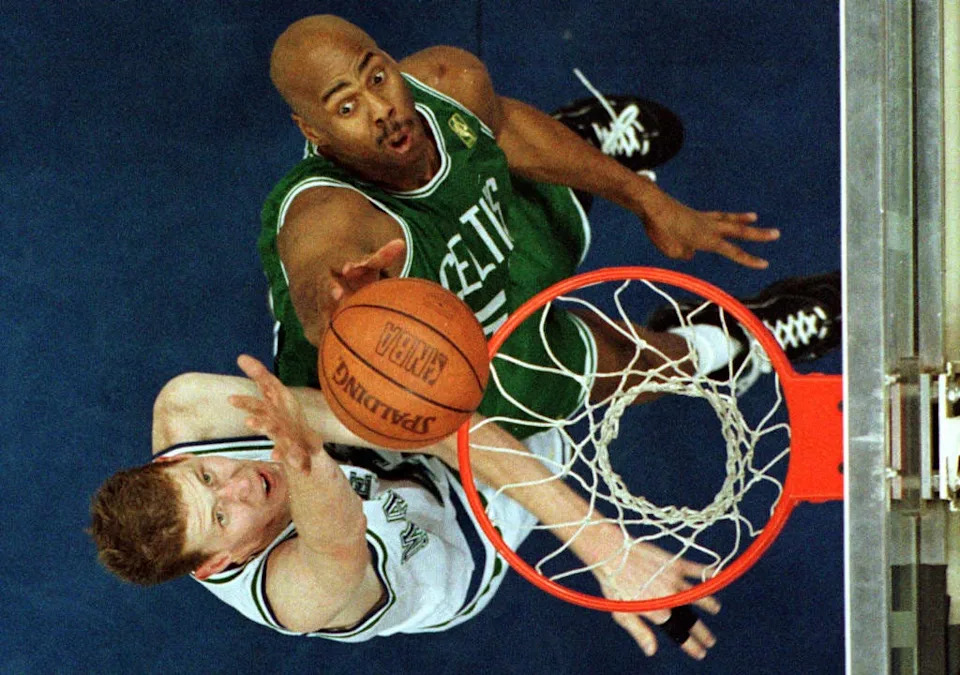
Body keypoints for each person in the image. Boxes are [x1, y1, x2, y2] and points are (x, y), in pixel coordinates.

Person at [257, 14, 814, 437]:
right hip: (439, 355)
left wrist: (646, 199)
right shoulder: (328, 212)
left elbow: (507, 129)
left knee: (529, 178)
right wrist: (335, 305)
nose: (381, 108)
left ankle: (576, 132)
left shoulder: (449, 82)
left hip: (493, 236)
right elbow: (315, 266)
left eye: (377, 77)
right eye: (347, 108)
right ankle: (732, 344)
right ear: (314, 132)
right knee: (630, 364)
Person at [90, 355, 721, 660]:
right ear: (217, 561)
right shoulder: (296, 596)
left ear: (168, 462)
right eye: (222, 517)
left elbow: (436, 426)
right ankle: (724, 349)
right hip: (456, 536)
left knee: (375, 318)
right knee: (556, 392)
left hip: (369, 456)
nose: (241, 484)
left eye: (208, 474)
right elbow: (337, 530)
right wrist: (608, 551)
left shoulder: (189, 408)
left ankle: (512, 164)